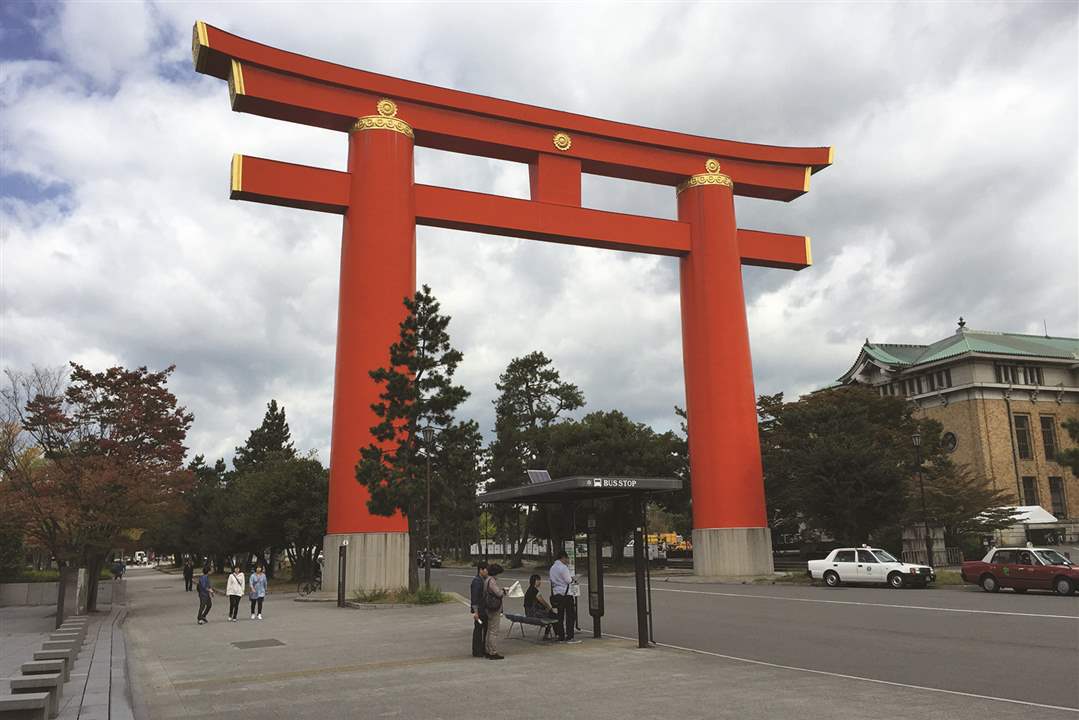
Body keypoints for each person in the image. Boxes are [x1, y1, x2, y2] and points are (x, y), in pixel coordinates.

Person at [549, 550, 579, 643]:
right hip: (566, 595)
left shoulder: (552, 568)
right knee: (570, 615)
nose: (567, 560)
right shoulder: (563, 567)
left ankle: (561, 636)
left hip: (556, 594)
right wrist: (574, 578)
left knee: (560, 616)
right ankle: (570, 636)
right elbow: (568, 580)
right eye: (566, 558)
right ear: (563, 558)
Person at [483, 563, 507, 659]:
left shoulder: (486, 580)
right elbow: (498, 593)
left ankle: (488, 650)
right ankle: (493, 651)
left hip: (488, 607)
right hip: (494, 608)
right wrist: (504, 591)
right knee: (494, 631)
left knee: (489, 630)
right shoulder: (491, 581)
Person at [524, 574, 557, 640]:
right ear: (534, 581)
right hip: (534, 613)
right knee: (554, 616)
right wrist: (549, 608)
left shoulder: (529, 589)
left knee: (551, 615)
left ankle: (549, 635)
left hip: (529, 612)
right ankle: (556, 634)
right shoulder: (535, 591)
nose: (540, 582)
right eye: (538, 580)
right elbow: (542, 601)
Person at [469, 561, 489, 658]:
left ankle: (481, 648)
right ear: (481, 570)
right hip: (480, 610)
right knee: (478, 630)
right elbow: (475, 598)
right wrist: (475, 612)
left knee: (483, 629)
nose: (487, 572)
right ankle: (477, 650)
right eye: (486, 570)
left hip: (483, 609)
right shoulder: (477, 581)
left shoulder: (482, 580)